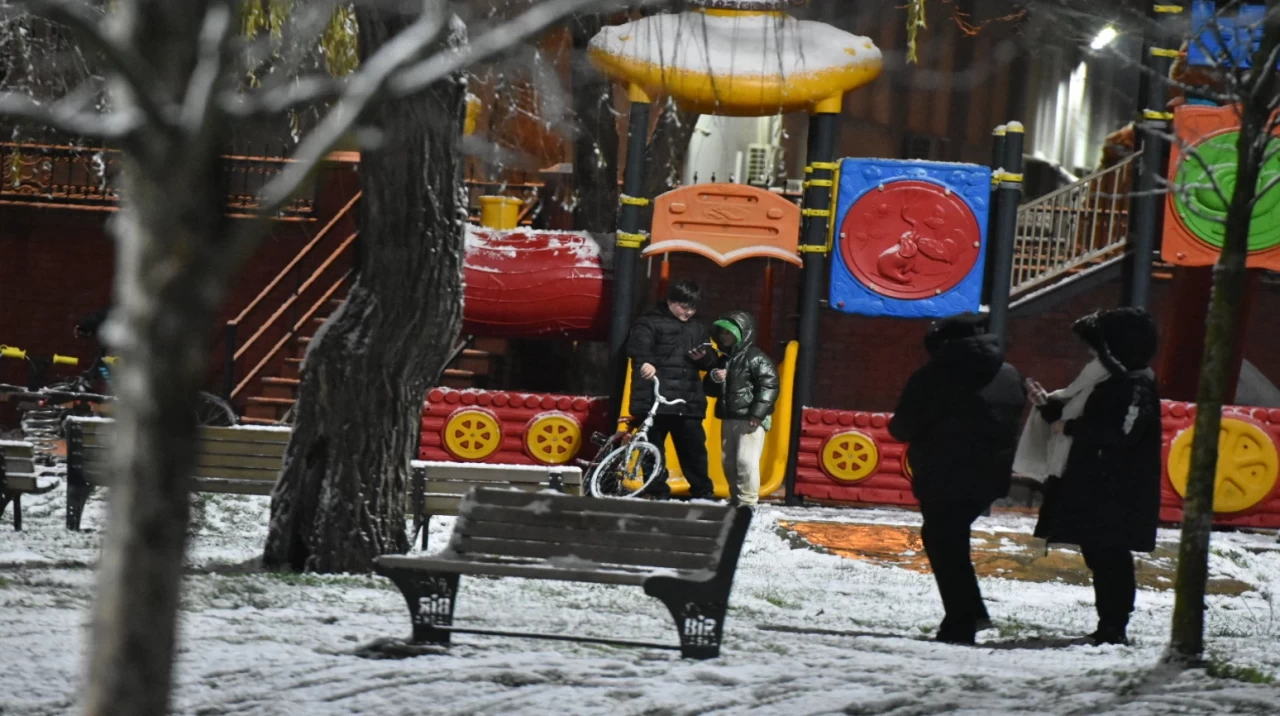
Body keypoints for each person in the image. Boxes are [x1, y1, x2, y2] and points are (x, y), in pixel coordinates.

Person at [1022, 307, 1161, 646]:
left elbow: (1123, 431)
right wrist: (1048, 407)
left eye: (1097, 346)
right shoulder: (1104, 380)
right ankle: (1109, 624)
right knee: (1099, 554)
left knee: (1109, 555)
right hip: (1095, 483)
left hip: (1114, 488)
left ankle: (1114, 626)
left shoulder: (1134, 382)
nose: (1090, 353)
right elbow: (1087, 417)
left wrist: (1069, 426)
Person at [888, 314, 1026, 645]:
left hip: (943, 472)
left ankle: (963, 621)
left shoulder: (934, 376)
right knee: (951, 541)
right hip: (989, 474)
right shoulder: (1009, 374)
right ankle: (968, 615)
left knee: (943, 542)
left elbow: (902, 426)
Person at [625, 280, 716, 500]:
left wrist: (704, 358)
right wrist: (645, 362)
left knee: (694, 449)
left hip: (686, 399)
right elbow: (638, 347)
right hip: (654, 398)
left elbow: (711, 359)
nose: (689, 312)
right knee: (652, 448)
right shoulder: (649, 322)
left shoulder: (698, 327)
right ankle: (657, 491)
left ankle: (703, 492)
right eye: (685, 307)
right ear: (671, 302)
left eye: (693, 308)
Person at [701, 310, 779, 507]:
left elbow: (769, 385)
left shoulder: (755, 358)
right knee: (729, 462)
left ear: (742, 333)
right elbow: (709, 389)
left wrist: (757, 413)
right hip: (729, 416)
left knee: (746, 461)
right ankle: (736, 498)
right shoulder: (724, 359)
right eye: (723, 333)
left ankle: (748, 501)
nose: (725, 337)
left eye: (730, 333)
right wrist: (714, 378)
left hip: (749, 419)